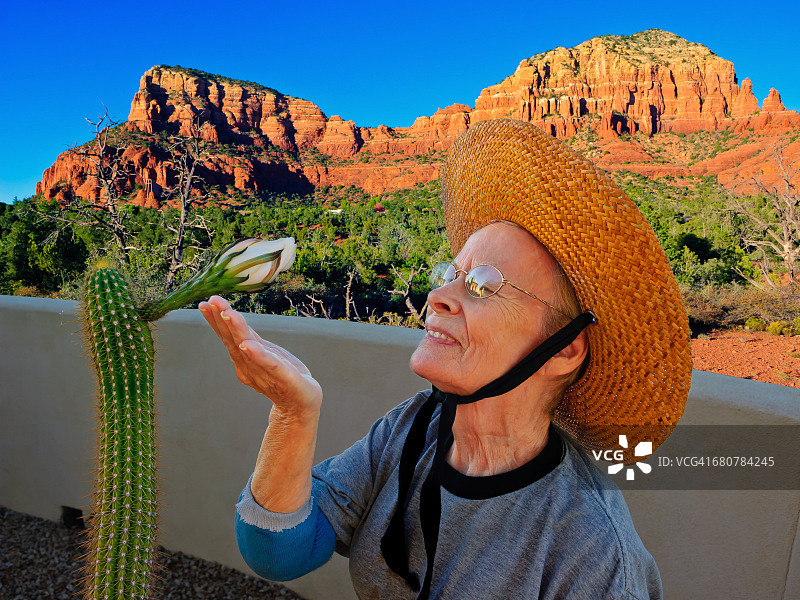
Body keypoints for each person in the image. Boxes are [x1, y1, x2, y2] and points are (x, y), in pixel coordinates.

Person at [199, 119, 693, 599]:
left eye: (483, 284)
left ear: (564, 348)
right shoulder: (413, 428)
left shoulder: (591, 553)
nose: (440, 294)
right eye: (451, 273)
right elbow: (280, 551)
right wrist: (292, 412)